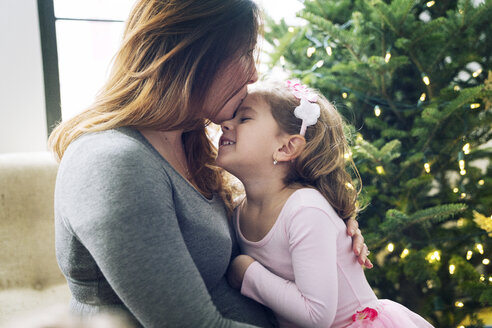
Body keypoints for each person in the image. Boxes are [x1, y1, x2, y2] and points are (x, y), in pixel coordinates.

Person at [48, 1, 370, 327]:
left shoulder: (191, 145)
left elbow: (268, 212)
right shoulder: (114, 163)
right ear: (197, 54)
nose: (254, 73)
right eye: (245, 52)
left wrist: (334, 228)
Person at [218, 80, 434, 328]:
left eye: (244, 119)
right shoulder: (236, 210)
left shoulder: (304, 209)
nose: (225, 123)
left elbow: (317, 315)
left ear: (287, 147)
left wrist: (245, 271)